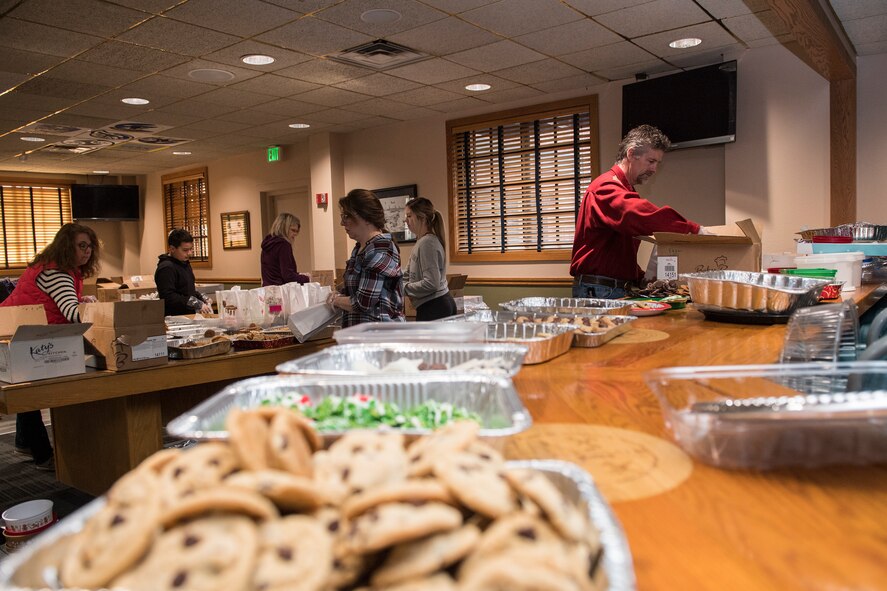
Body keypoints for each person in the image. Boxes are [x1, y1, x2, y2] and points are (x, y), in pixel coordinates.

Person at [0, 222, 101, 471]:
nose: (87, 251)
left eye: (89, 246)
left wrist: (81, 301)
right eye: (81, 246)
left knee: (27, 387)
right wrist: (102, 314)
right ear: (67, 247)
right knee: (33, 391)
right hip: (24, 335)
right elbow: (71, 314)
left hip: (18, 331)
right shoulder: (57, 273)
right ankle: (44, 456)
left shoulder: (51, 268)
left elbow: (61, 302)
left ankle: (25, 442)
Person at [570, 124, 710, 298]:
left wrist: (640, 277)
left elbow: (616, 251)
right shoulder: (606, 187)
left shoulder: (624, 190)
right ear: (631, 154)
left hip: (611, 287)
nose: (654, 169)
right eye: (650, 161)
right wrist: (693, 230)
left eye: (657, 163)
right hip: (600, 290)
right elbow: (640, 215)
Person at [327, 189, 404, 327]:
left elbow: (363, 302)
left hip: (379, 336)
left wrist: (335, 300)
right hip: (363, 336)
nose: (342, 223)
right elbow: (353, 289)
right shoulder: (360, 248)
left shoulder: (380, 247)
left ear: (365, 217)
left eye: (346, 216)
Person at [403, 198, 457, 321]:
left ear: (422, 218)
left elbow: (431, 283)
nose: (405, 220)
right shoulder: (422, 242)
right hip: (433, 305)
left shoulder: (427, 243)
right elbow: (408, 273)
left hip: (435, 306)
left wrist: (404, 288)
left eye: (409, 216)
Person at [155, 229, 212, 316]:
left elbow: (187, 290)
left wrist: (202, 298)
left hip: (188, 316)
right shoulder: (166, 267)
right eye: (185, 250)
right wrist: (196, 303)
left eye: (191, 249)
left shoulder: (184, 263)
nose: (189, 253)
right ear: (172, 249)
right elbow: (169, 297)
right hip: (174, 318)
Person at [261, 213, 310, 286]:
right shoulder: (283, 245)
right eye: (293, 230)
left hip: (267, 290)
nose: (295, 234)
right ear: (283, 228)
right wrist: (307, 278)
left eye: (297, 231)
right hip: (281, 291)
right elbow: (288, 276)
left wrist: (299, 275)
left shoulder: (267, 244)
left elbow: (276, 271)